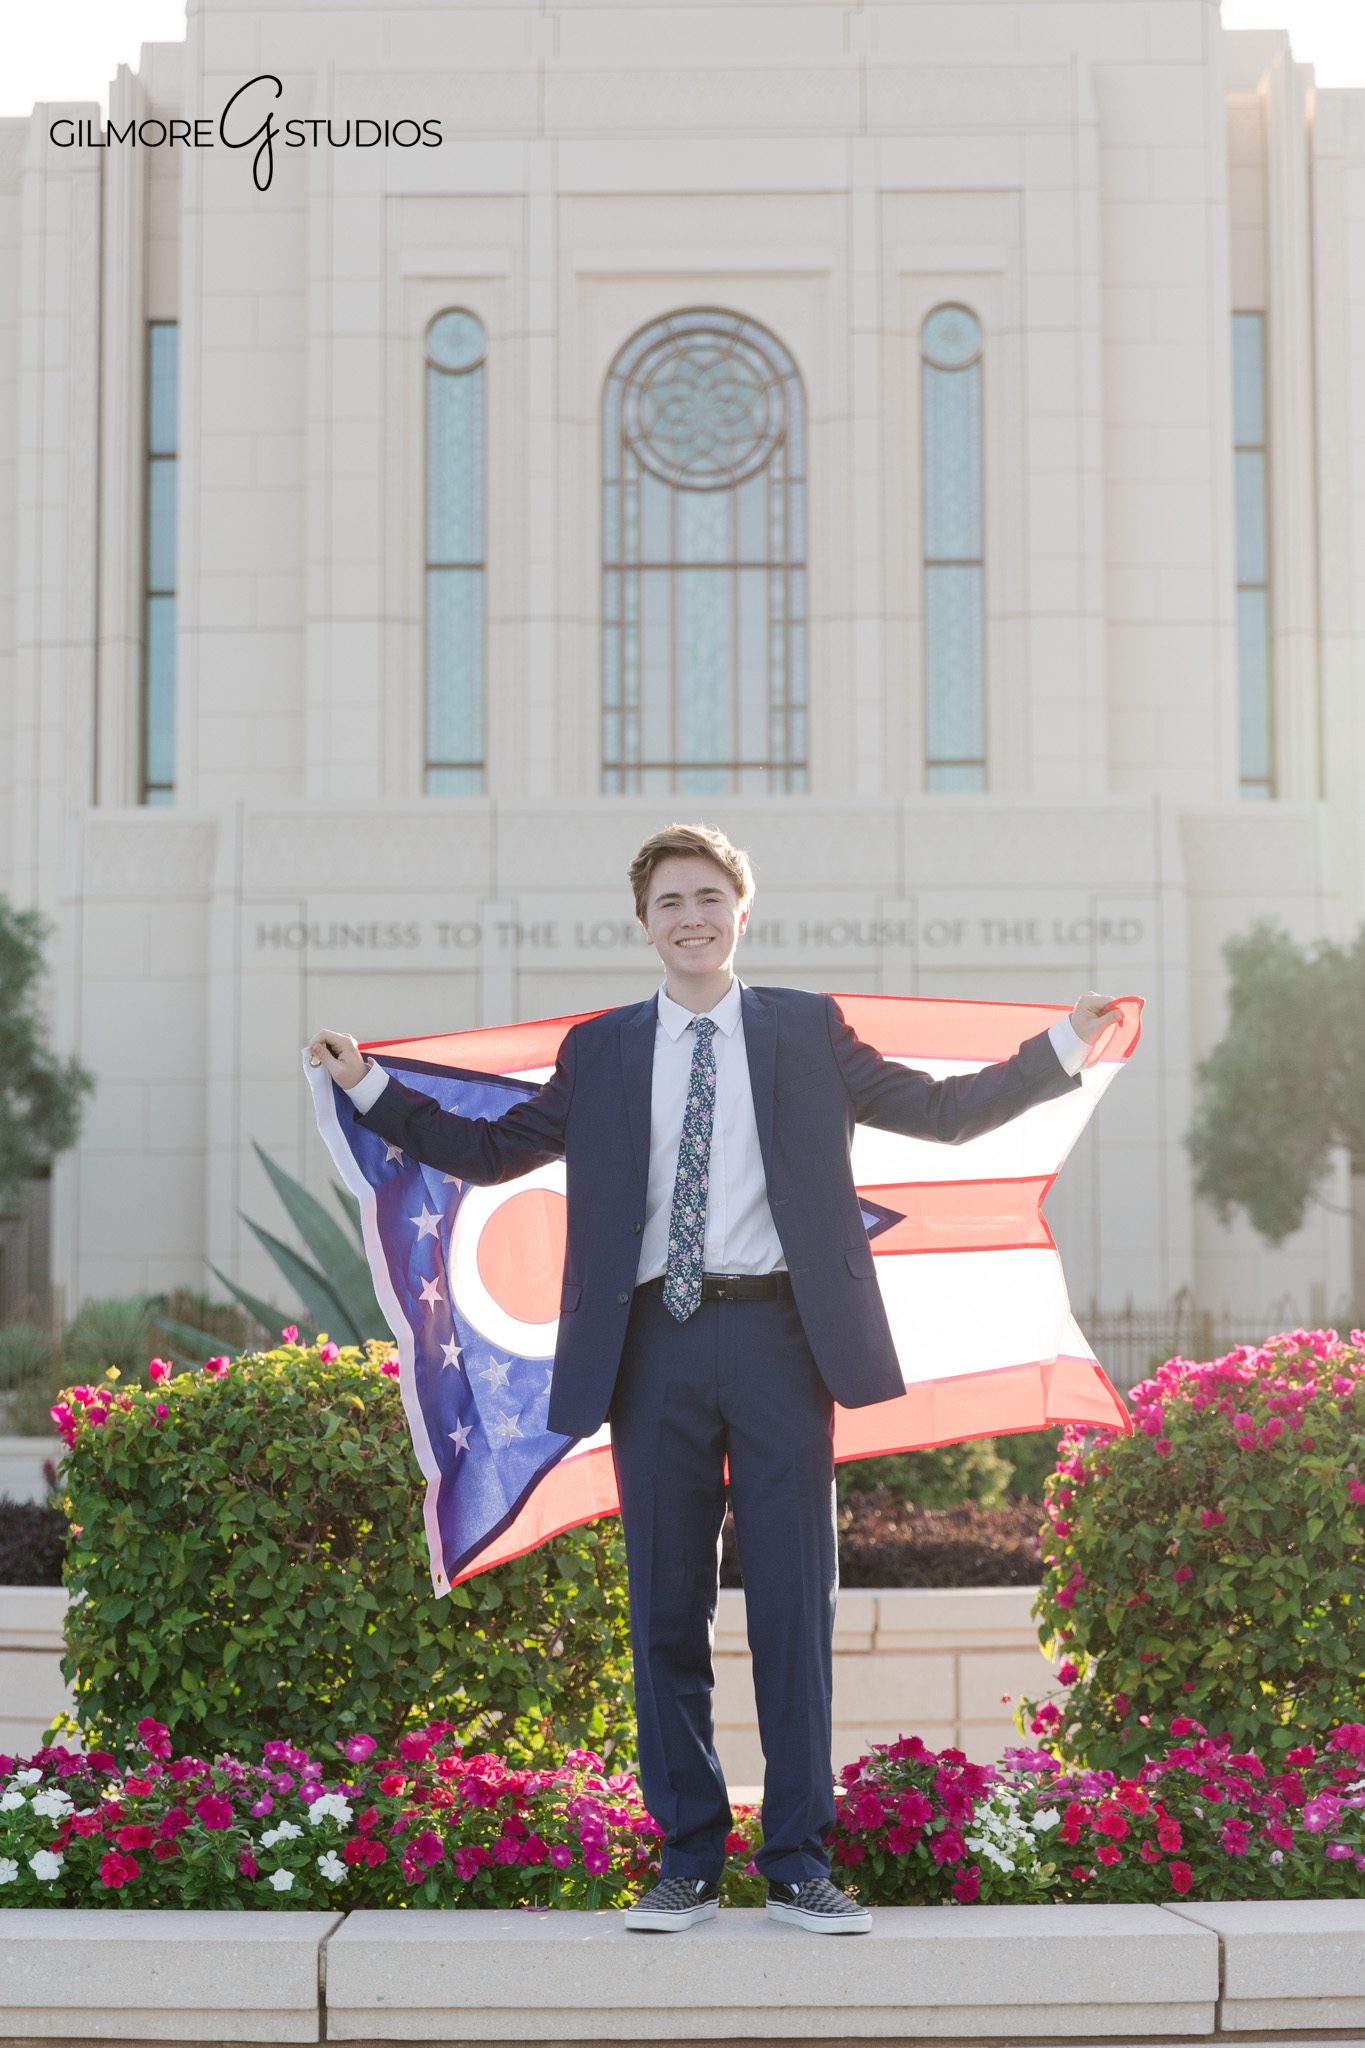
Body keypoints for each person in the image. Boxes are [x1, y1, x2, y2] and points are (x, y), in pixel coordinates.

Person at [308, 822, 1119, 1936]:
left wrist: (1059, 1047)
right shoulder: (601, 1049)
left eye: (708, 897)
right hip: (653, 1349)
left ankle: (797, 1863)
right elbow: (493, 1150)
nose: (690, 918)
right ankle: (687, 1858)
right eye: (668, 903)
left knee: (795, 1605)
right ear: (645, 925)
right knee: (665, 1610)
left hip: (786, 1341)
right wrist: (370, 1087)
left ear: (744, 909)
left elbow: (942, 1114)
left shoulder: (804, 1027)